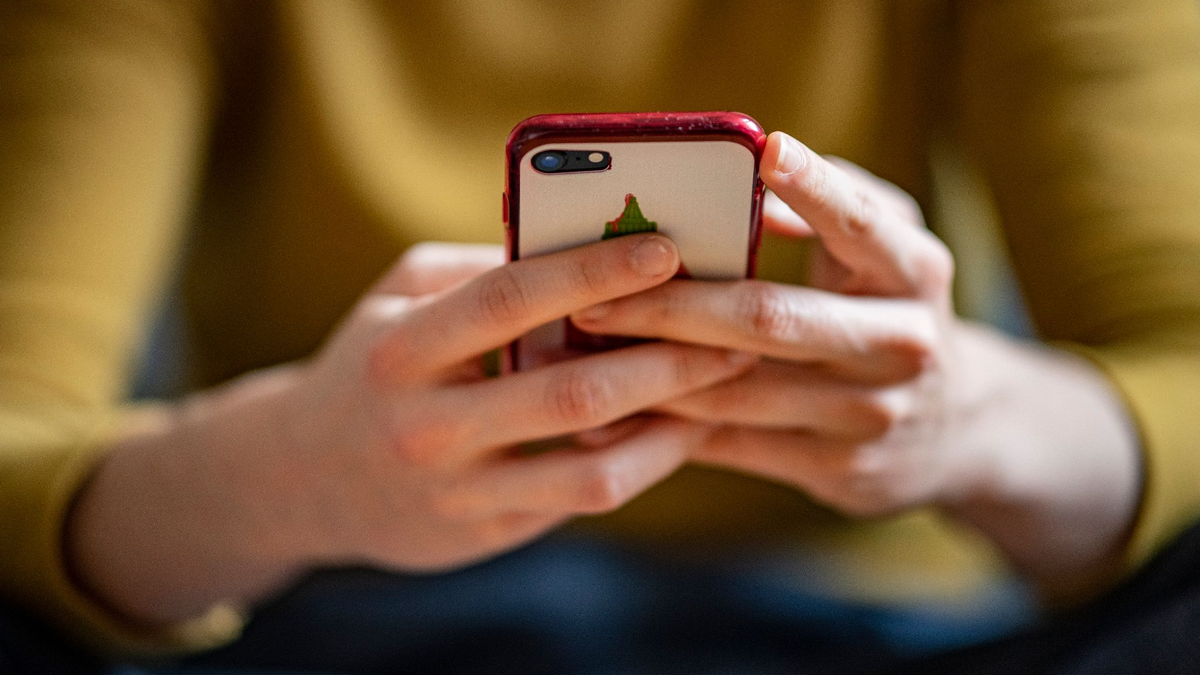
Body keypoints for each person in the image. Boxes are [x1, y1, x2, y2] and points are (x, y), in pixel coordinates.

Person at [1, 1, 1198, 672]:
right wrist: (281, 486)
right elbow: (16, 430)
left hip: (863, 627)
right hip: (340, 627)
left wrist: (966, 424)